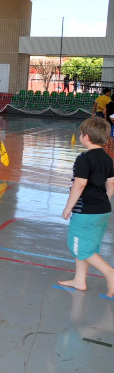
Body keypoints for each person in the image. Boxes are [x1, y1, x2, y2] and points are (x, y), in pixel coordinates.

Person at [57, 117, 114, 298]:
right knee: (89, 246)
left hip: (85, 211)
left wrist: (68, 207)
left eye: (81, 134)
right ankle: (79, 280)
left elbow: (79, 184)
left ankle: (110, 273)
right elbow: (111, 184)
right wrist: (104, 202)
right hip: (103, 209)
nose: (80, 136)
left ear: (86, 137)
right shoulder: (107, 158)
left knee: (77, 246)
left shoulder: (84, 158)